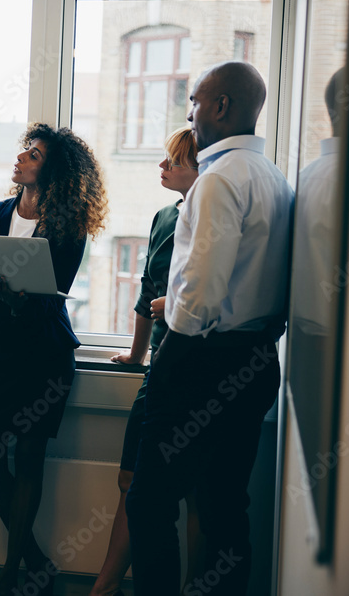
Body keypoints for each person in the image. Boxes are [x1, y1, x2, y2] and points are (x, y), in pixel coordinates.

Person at [124, 62, 294, 595]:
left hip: (200, 359)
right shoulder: (273, 176)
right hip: (257, 357)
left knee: (150, 502)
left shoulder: (218, 179)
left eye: (195, 101)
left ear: (222, 106)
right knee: (224, 504)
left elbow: (197, 298)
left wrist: (170, 327)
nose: (190, 113)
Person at [0, 123, 108, 596]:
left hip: (43, 353)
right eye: (24, 150)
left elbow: (53, 295)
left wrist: (20, 297)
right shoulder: (0, 211)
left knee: (29, 459)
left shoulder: (67, 223)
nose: (22, 157)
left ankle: (10, 574)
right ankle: (36, 562)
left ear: (54, 170)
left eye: (35, 154)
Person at [89, 127, 203, 596]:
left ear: (200, 168)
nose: (162, 167)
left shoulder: (206, 215)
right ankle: (108, 583)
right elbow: (146, 292)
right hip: (159, 364)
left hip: (195, 364)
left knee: (194, 491)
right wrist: (137, 354)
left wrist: (169, 307)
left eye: (173, 161)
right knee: (130, 479)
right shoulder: (163, 216)